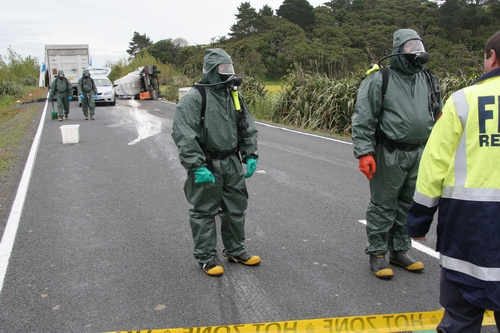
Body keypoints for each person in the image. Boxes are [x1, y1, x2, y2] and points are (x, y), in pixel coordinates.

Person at [407, 31, 500, 332]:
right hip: (471, 225)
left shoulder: (463, 101)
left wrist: (418, 223)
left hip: (468, 228)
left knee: (460, 318)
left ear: (492, 57)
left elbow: (434, 166)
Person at [351, 28, 443, 279]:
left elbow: (439, 116)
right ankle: (377, 253)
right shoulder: (380, 79)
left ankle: (400, 250)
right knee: (384, 204)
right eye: (410, 46)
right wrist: (364, 153)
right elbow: (363, 119)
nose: (417, 51)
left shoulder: (429, 79)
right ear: (398, 49)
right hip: (388, 151)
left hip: (420, 152)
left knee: (408, 204)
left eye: (419, 45)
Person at [172, 48, 260, 277]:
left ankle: (235, 250)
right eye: (223, 69)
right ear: (212, 71)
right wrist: (196, 166)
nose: (228, 73)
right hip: (207, 162)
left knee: (236, 207)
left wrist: (250, 154)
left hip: (230, 161)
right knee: (204, 211)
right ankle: (206, 257)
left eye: (230, 68)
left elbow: (245, 125)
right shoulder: (194, 99)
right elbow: (184, 135)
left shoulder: (233, 95)